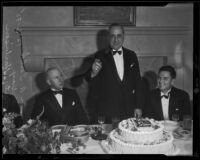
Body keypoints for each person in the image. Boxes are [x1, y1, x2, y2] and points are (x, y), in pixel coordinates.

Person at [87, 23, 143, 123]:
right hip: (108, 111)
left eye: (119, 36)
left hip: (128, 109)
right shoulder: (100, 55)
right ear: (108, 37)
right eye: (112, 36)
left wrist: (138, 106)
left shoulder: (132, 55)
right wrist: (93, 73)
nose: (115, 39)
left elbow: (138, 82)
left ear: (123, 37)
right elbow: (93, 83)